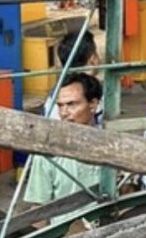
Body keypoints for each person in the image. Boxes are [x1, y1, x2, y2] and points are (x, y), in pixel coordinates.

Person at [24, 73, 107, 223]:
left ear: (93, 105)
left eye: (72, 104)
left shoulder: (112, 147)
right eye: (60, 105)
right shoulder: (47, 155)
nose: (64, 113)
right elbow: (39, 211)